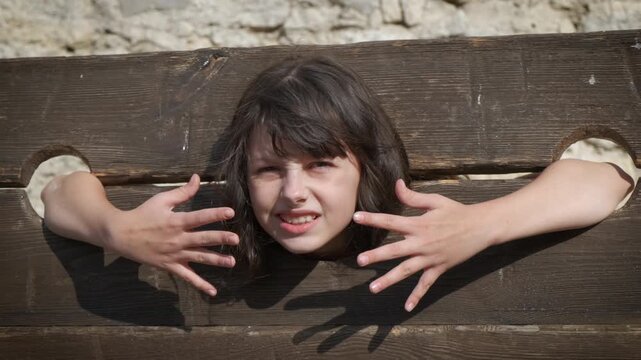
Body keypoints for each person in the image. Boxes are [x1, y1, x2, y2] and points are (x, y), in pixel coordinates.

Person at [42, 56, 635, 312]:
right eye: (269, 169)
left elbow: (607, 179)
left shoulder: (437, 232)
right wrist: (117, 229)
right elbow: (56, 191)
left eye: (321, 164)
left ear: (365, 169)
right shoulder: (210, 240)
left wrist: (483, 223)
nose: (293, 191)